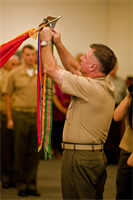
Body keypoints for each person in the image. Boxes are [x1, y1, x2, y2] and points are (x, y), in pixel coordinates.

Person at [40, 27, 117, 200]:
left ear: (92, 66)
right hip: (92, 156)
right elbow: (74, 68)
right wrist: (58, 43)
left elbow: (50, 69)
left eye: (86, 56)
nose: (81, 57)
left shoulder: (89, 87)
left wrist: (45, 41)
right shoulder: (103, 84)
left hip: (80, 158)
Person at [3, 45, 40, 197]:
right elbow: (7, 96)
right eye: (27, 55)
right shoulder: (15, 73)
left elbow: (46, 95)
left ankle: (31, 184)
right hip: (19, 115)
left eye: (33, 54)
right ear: (23, 56)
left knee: (34, 152)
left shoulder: (41, 73)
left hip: (36, 116)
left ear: (35, 56)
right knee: (19, 151)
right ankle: (21, 185)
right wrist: (10, 118)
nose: (30, 57)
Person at [0, 55, 20, 189]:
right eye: (12, 64)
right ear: (6, 65)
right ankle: (6, 177)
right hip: (3, 115)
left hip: (18, 115)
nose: (15, 67)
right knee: (5, 149)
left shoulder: (20, 77)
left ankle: (16, 177)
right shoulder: (1, 78)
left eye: (17, 64)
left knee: (18, 149)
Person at [105, 62, 127, 164]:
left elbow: (124, 97)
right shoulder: (104, 80)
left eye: (116, 67)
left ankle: (115, 156)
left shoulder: (122, 82)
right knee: (105, 133)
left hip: (117, 107)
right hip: (105, 108)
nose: (114, 68)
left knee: (116, 134)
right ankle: (104, 156)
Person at [114, 84, 133, 200]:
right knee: (122, 189)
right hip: (127, 147)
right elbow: (116, 117)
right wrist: (128, 97)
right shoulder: (131, 99)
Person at [52, 82, 71, 159]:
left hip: (68, 113)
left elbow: (71, 98)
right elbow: (55, 100)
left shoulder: (67, 86)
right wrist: (63, 110)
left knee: (65, 133)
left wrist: (67, 102)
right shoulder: (55, 87)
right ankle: (57, 150)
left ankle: (63, 150)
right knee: (57, 133)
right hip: (58, 113)